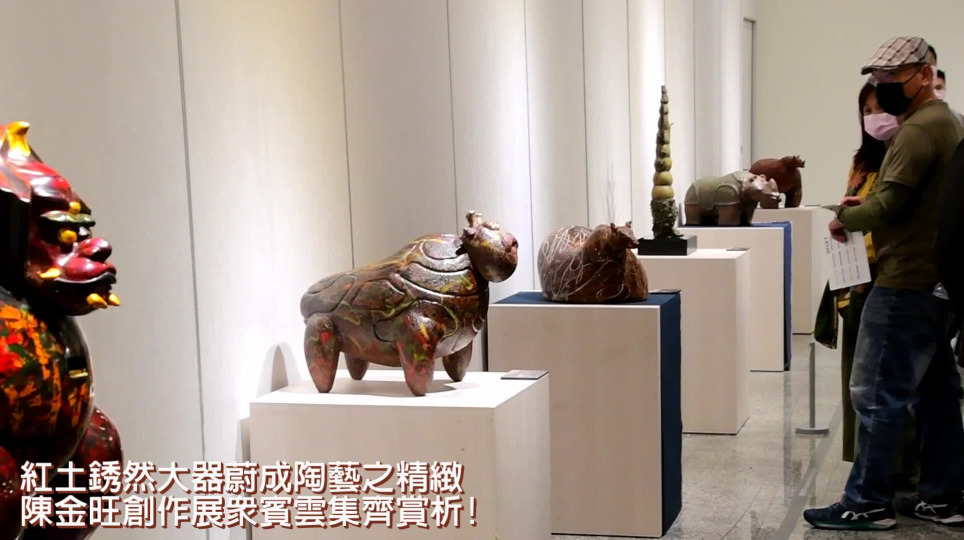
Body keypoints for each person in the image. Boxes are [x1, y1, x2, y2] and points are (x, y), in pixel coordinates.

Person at [804, 36, 964, 531]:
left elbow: (890, 205)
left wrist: (847, 217)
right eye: (876, 78)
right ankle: (942, 497)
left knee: (874, 392)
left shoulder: (917, 131)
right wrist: (868, 207)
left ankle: (867, 501)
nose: (882, 85)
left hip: (905, 281)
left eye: (891, 77)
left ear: (925, 75)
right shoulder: (950, 122)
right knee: (936, 394)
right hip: (939, 281)